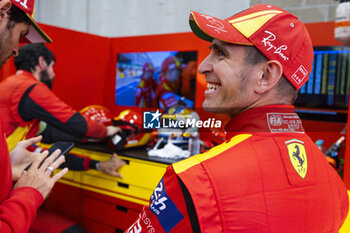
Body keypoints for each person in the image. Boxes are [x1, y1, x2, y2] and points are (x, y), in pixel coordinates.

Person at [126, 4, 349, 233]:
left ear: (265, 75)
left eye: (221, 54)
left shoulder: (196, 180)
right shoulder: (334, 184)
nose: (203, 66)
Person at [0, 43, 126, 177]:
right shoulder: (30, 88)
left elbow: (42, 150)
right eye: (52, 66)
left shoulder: (10, 86)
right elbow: (72, 121)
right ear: (42, 63)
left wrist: (95, 164)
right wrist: (106, 131)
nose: (53, 74)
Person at [0, 0, 69, 232]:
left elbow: (46, 129)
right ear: (2, 13)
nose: (17, 50)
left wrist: (6, 167)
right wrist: (29, 193)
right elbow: (74, 122)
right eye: (20, 34)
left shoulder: (9, 83)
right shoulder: (31, 88)